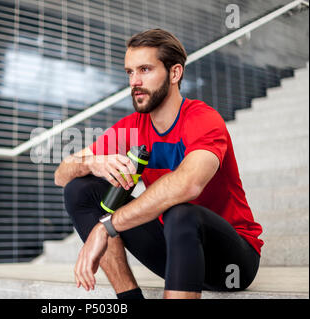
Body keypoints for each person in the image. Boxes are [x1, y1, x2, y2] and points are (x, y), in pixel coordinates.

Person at [54, 29, 263, 299]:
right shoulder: (131, 128)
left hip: (232, 262)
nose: (135, 81)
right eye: (130, 72)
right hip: (175, 249)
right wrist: (92, 162)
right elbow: (61, 175)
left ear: (174, 73)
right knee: (79, 189)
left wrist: (105, 226)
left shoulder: (202, 119)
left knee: (181, 212)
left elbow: (188, 185)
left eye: (145, 69)